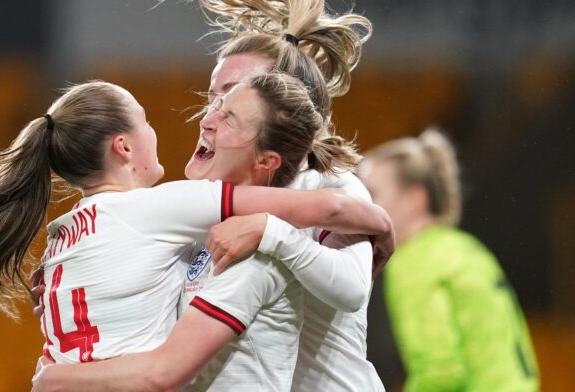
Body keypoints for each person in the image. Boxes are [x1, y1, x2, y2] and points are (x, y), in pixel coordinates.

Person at [31, 1, 387, 390]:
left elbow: (352, 286)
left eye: (232, 99)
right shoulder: (203, 208)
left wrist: (375, 226)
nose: (207, 116)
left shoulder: (329, 188)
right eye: (213, 97)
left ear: (282, 105)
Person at [359, 128, 540, 391]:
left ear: (415, 199)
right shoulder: (465, 247)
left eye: (373, 195)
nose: (362, 206)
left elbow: (441, 372)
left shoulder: (415, 262)